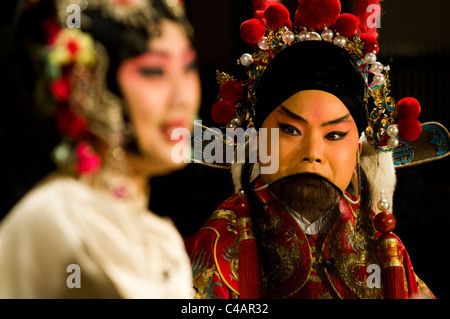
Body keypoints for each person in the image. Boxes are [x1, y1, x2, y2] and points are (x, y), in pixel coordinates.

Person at [185, 0, 449, 299]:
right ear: (258, 141)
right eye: (289, 130)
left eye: (334, 134)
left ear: (359, 149)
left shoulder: (385, 251)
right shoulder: (222, 242)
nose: (312, 153)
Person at [0, 0, 200, 298]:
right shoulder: (55, 220)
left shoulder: (161, 238)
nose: (182, 97)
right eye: (154, 72)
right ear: (89, 82)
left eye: (188, 67)